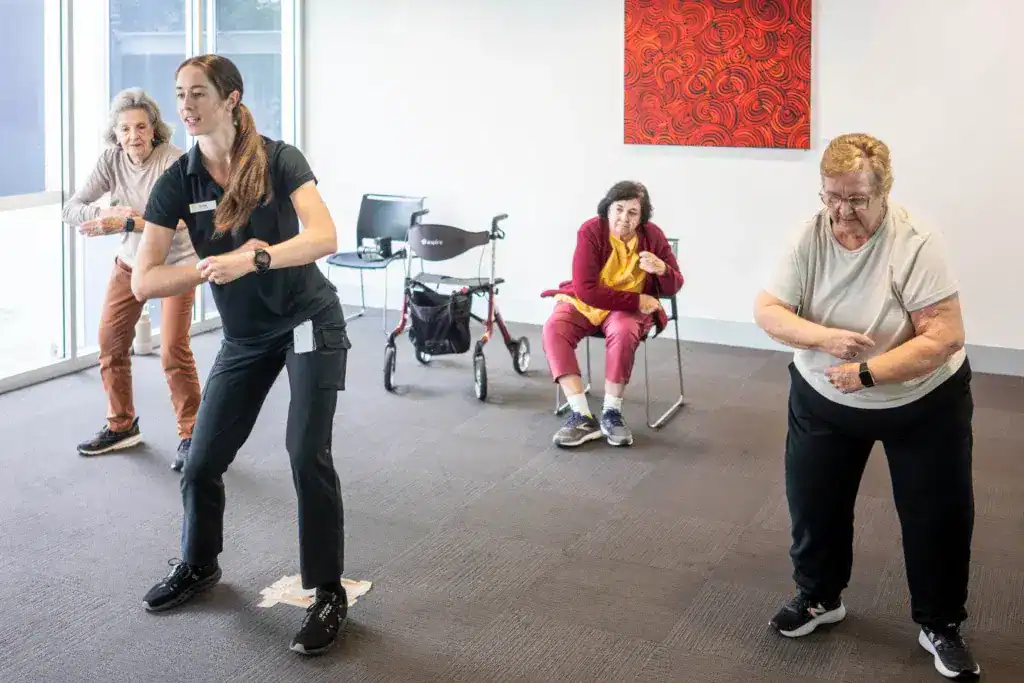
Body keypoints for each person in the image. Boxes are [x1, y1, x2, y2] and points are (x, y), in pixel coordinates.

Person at [130, 54, 352, 656]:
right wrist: (208, 270)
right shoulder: (179, 179)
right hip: (247, 337)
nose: (185, 106)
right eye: (179, 94)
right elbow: (144, 281)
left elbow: (325, 236)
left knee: (306, 453)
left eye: (197, 93)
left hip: (308, 320)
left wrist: (254, 257)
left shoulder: (280, 160)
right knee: (200, 462)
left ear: (231, 98)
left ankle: (328, 591)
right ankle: (200, 565)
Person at [754, 133, 979, 680]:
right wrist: (825, 339)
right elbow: (768, 309)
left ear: (884, 193)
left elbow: (945, 335)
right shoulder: (807, 236)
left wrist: (867, 371)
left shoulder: (916, 242)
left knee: (935, 516)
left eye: (856, 198)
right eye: (832, 195)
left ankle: (940, 623)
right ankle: (819, 598)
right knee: (814, 503)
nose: (842, 210)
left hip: (921, 398)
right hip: (824, 395)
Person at [63, 88, 201, 468]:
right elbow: (70, 209)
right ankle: (122, 425)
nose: (133, 136)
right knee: (110, 343)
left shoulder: (174, 161)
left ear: (154, 129)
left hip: (175, 264)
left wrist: (125, 221)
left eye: (141, 127)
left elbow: (181, 222)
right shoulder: (111, 160)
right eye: (124, 129)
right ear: (116, 134)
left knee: (173, 349)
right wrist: (100, 213)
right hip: (130, 263)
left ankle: (193, 435)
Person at [540, 181, 684, 448]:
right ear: (608, 208)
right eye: (619, 209)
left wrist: (662, 269)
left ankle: (611, 412)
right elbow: (586, 291)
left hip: (626, 311)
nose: (623, 218)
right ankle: (581, 414)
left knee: (623, 330)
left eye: (632, 213)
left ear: (642, 218)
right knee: (554, 328)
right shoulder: (591, 231)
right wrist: (637, 299)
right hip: (593, 302)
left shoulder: (653, 235)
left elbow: (675, 285)